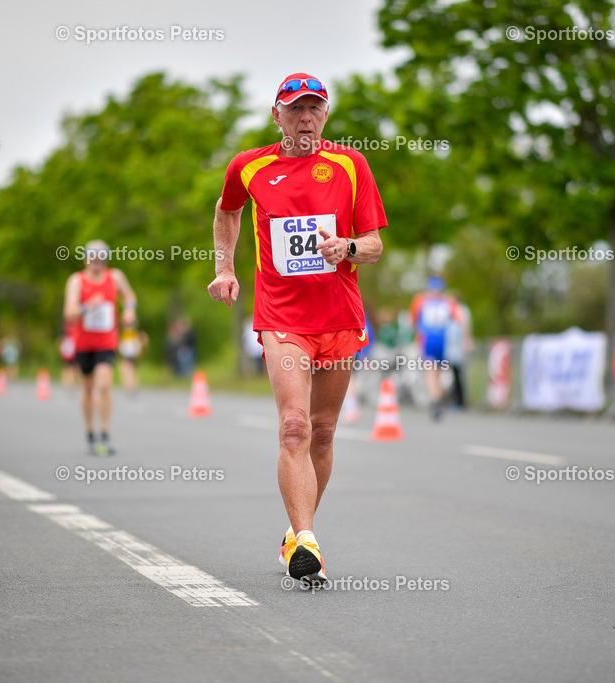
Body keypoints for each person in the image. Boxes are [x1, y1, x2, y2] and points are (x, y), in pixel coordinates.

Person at [207, 72, 386, 584]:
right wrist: (225, 267)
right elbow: (226, 212)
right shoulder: (250, 166)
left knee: (324, 433)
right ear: (277, 115)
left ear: (325, 115)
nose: (305, 118)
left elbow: (373, 244)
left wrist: (348, 247)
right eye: (295, 109)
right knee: (294, 424)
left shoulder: (351, 164)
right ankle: (306, 541)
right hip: (282, 317)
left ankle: (295, 531)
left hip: (338, 316)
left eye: (314, 109)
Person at [64, 239, 137, 456]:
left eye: (102, 259)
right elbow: (69, 313)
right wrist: (87, 307)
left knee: (104, 384)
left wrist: (129, 310)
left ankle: (105, 432)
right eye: (93, 259)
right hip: (84, 342)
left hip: (106, 340)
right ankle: (90, 432)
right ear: (86, 259)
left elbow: (130, 296)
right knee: (87, 388)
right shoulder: (77, 281)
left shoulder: (115, 277)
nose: (97, 264)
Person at [410, 275, 463, 420]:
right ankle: (438, 397)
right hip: (442, 340)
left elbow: (414, 322)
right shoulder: (448, 302)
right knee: (437, 372)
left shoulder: (420, 301)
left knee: (430, 372)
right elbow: (459, 319)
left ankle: (435, 400)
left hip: (428, 341)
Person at [444, 297, 473, 409]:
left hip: (459, 348)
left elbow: (466, 326)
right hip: (452, 349)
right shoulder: (451, 311)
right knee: (453, 375)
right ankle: (454, 399)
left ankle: (460, 401)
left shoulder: (460, 310)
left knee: (459, 375)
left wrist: (466, 341)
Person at [118, 324, 148, 394]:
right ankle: (129, 385)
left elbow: (143, 340)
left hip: (134, 353)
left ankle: (132, 385)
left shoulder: (136, 331)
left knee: (132, 369)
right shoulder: (123, 332)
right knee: (127, 368)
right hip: (126, 352)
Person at [59, 324, 78, 389]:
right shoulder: (67, 338)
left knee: (72, 368)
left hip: (72, 355)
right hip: (70, 355)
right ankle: (69, 382)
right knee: (70, 368)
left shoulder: (70, 337)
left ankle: (71, 382)